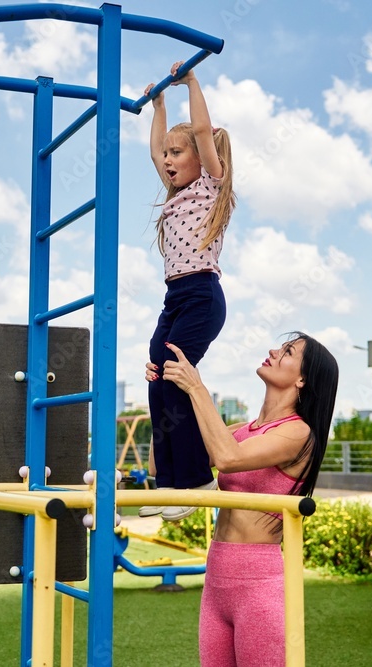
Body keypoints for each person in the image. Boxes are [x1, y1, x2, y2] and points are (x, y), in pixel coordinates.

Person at [147, 332, 339, 667]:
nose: (273, 351)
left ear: (302, 379)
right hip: (217, 579)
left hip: (260, 585)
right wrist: (165, 397)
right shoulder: (240, 430)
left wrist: (196, 388)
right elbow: (162, 464)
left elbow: (228, 458)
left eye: (287, 351)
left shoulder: (299, 433)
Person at [140, 60, 236, 522]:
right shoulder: (176, 193)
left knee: (177, 376)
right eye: (168, 156)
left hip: (201, 295)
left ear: (201, 156)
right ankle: (169, 485)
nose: (168, 160)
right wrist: (158, 103)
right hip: (174, 298)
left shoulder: (211, 187)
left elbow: (200, 129)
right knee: (158, 377)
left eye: (179, 154)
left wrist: (191, 82)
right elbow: (154, 147)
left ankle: (196, 478)